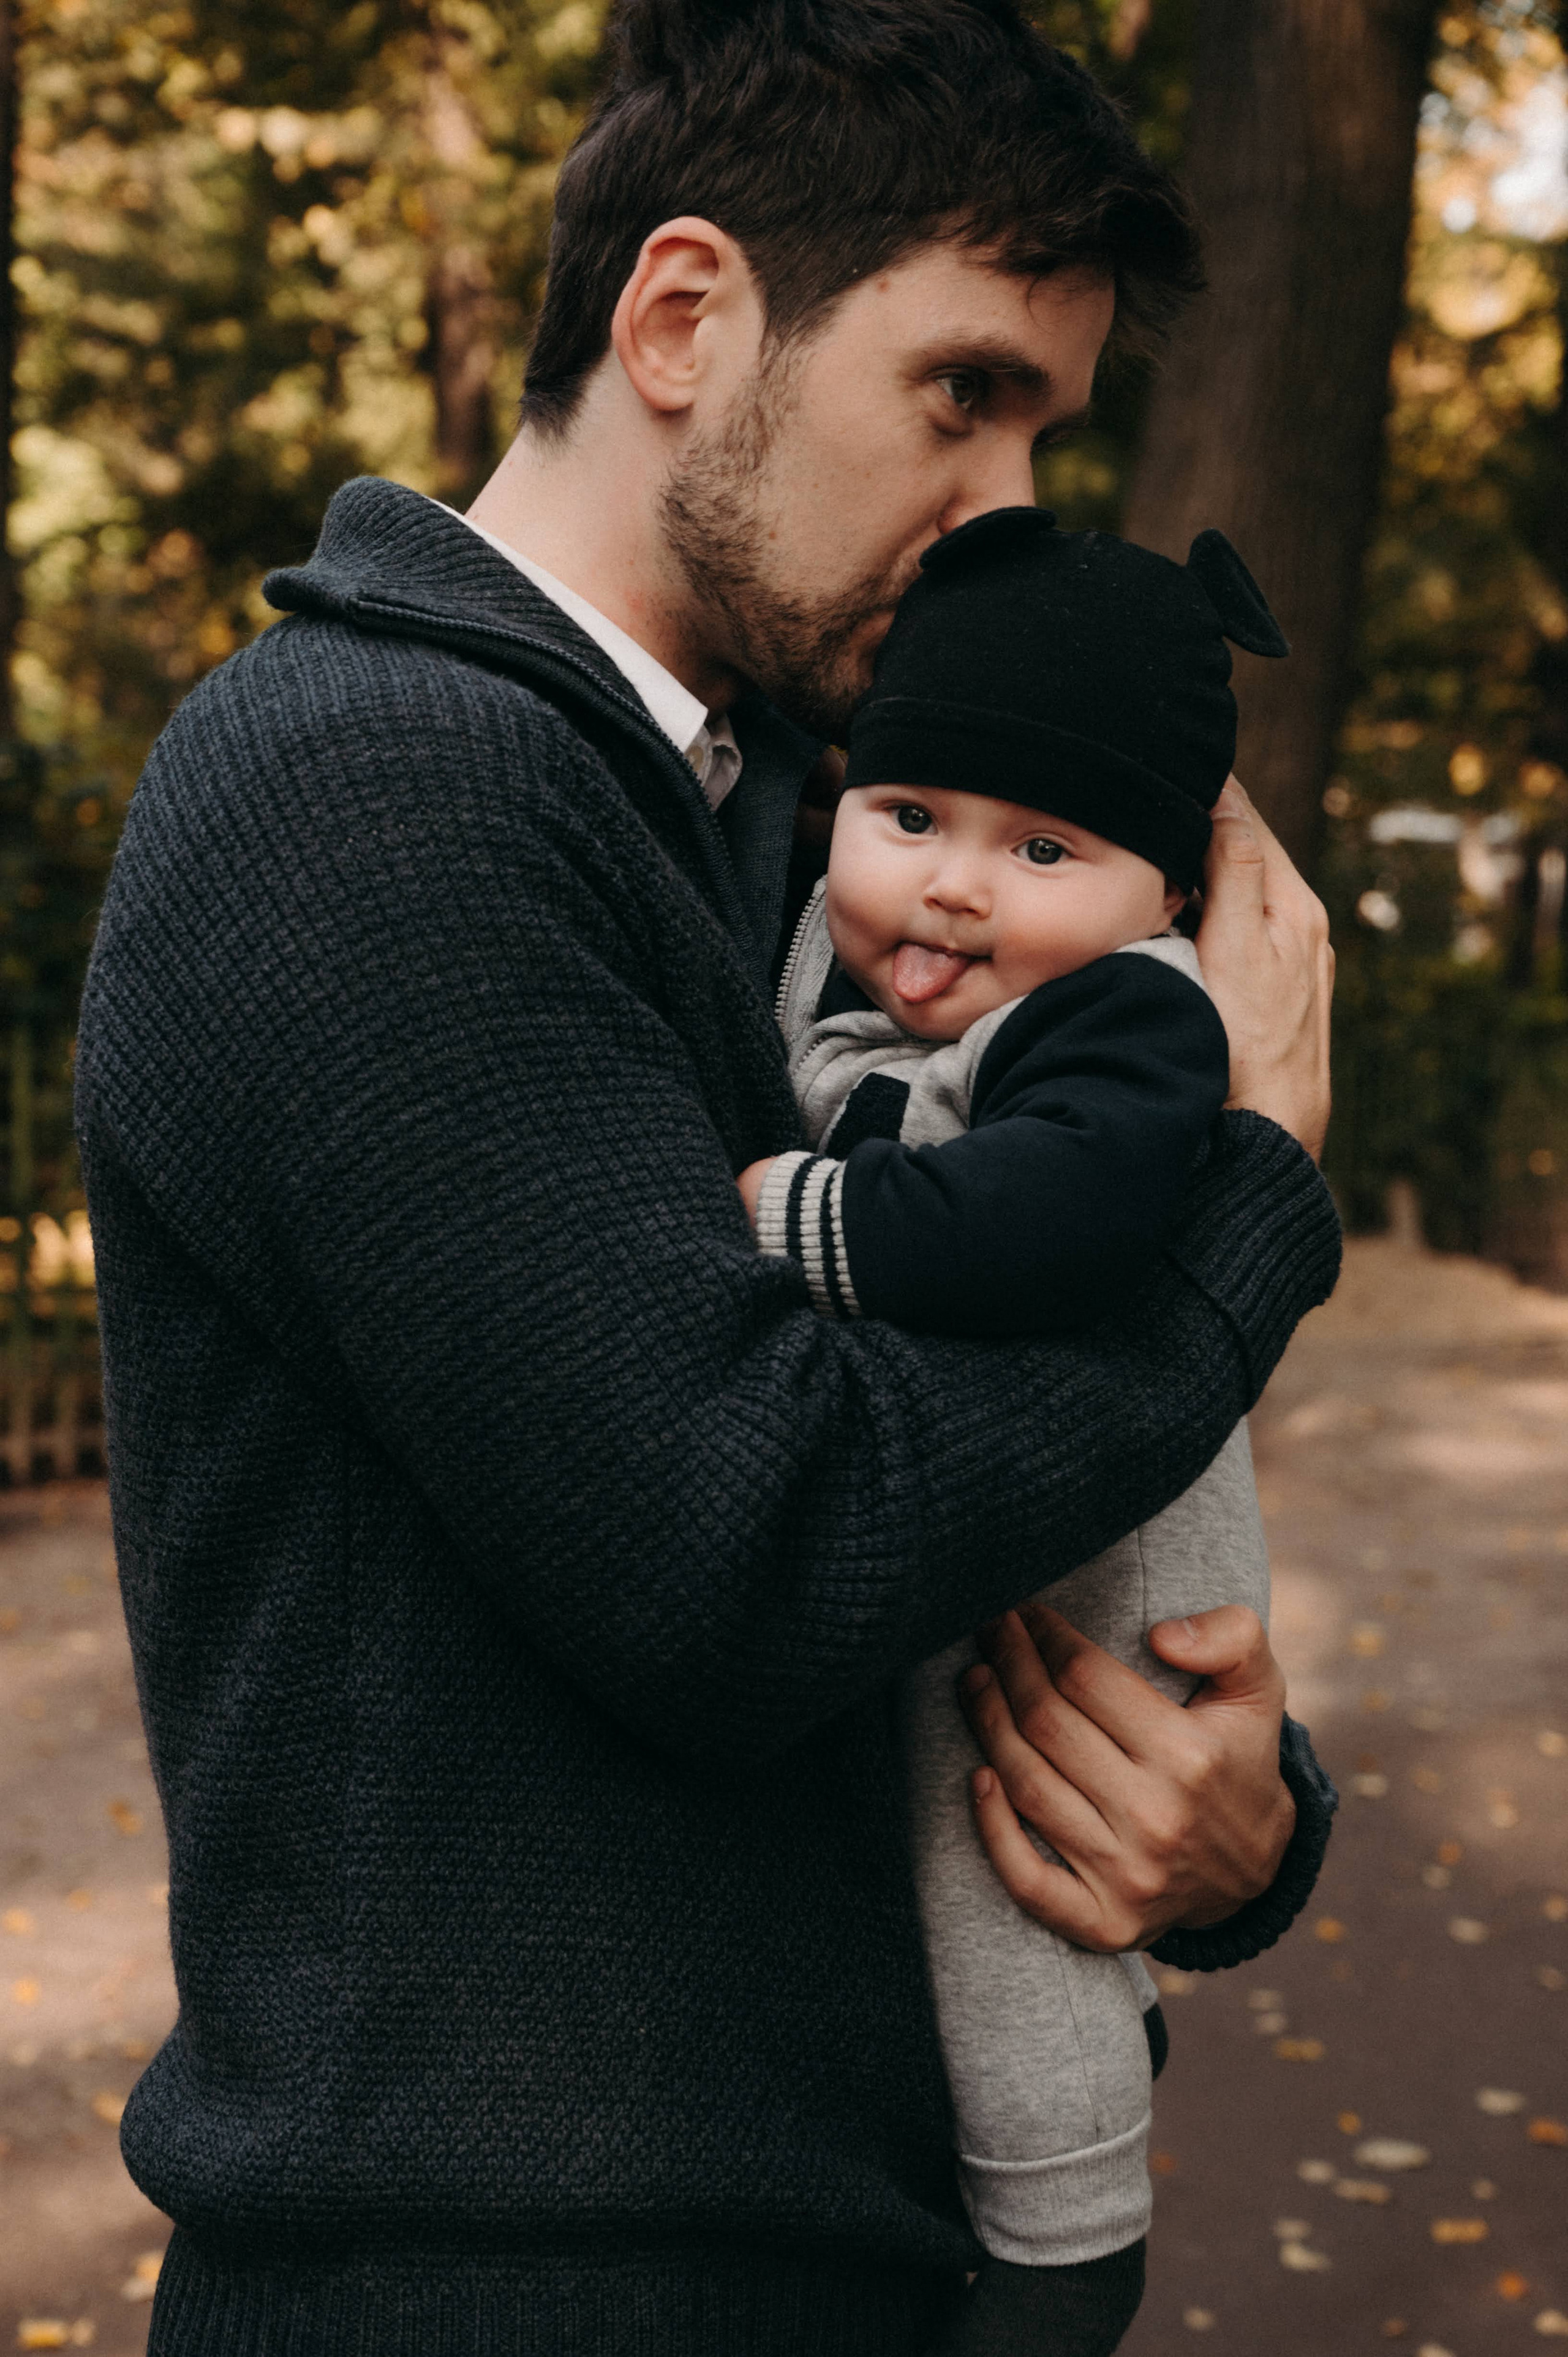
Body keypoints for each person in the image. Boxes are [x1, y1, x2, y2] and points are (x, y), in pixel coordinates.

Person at [75, 3, 1339, 2351]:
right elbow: (745, 1551)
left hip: (834, 2255)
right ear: (684, 318)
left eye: (1045, 430)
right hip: (493, 2285)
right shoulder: (370, 792)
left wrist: (1241, 1815)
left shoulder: (786, 827)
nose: (1008, 507)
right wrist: (1249, 1210)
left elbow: (961, 1464)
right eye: (963, 395)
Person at [744, 504, 1302, 2357]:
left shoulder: (1130, 1023)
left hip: (1093, 1607)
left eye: (1043, 847)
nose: (955, 889)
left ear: (1167, 898)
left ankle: (1069, 2258)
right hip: (986, 1554)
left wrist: (791, 1216)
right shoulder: (842, 974)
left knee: (1010, 1918)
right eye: (910, 820)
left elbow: (1055, 1222)